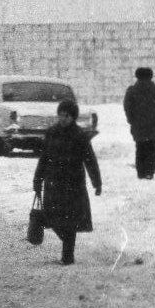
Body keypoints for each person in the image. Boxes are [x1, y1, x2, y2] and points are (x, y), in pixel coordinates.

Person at [32, 98, 103, 265]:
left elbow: (90, 160)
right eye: (60, 115)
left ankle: (67, 256)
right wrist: (37, 180)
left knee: (70, 222)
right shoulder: (51, 133)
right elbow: (44, 159)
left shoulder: (80, 136)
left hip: (73, 185)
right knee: (52, 217)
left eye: (66, 116)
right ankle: (67, 246)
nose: (62, 119)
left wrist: (97, 183)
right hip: (53, 184)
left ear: (73, 117)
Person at [122, 66, 155, 180]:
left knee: (140, 148)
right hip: (153, 125)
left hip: (138, 125)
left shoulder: (132, 90)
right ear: (151, 76)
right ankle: (149, 172)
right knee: (152, 148)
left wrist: (132, 120)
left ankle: (141, 172)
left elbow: (127, 107)